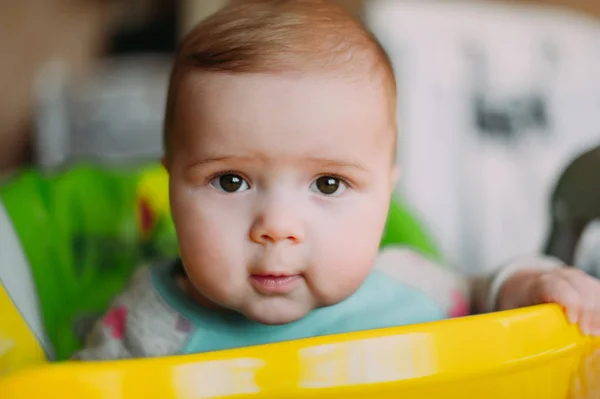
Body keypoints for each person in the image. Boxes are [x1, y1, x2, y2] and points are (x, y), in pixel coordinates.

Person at [74, 0, 600, 360]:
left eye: (328, 185)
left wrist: (530, 283)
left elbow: (484, 296)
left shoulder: (409, 289)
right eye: (231, 181)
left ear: (387, 192)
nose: (277, 228)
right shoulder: (145, 327)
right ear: (170, 187)